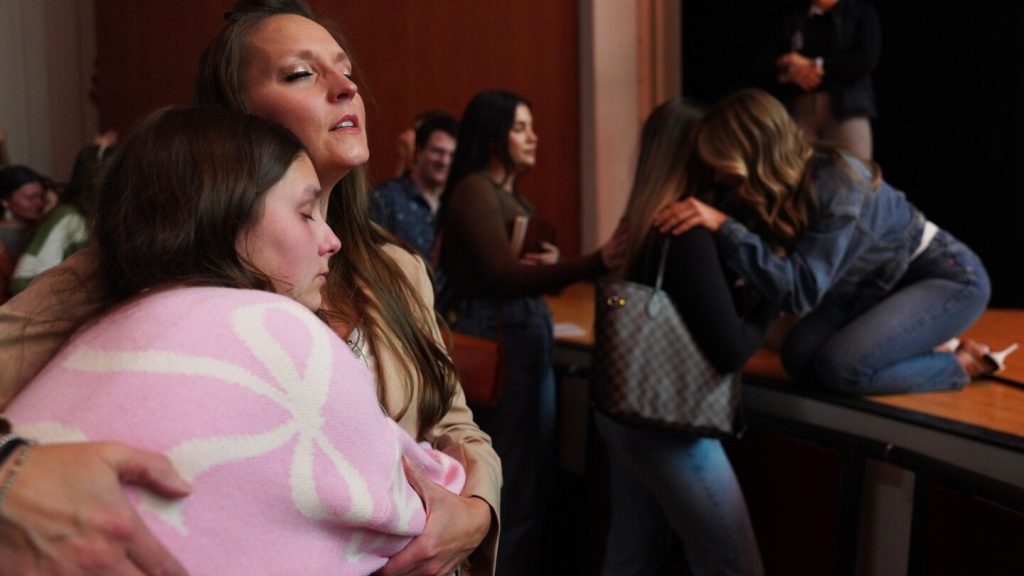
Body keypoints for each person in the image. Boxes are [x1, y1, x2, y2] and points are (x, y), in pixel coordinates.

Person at [0, 1, 500, 574]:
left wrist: (476, 512)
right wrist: (13, 474)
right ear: (235, 119)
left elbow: (454, 425)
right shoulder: (141, 261)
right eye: (302, 73)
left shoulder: (397, 268)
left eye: (346, 70)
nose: (346, 88)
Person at [654, 88, 996, 396]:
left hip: (943, 276)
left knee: (841, 369)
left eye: (723, 166)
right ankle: (904, 340)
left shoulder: (838, 183)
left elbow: (800, 293)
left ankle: (957, 364)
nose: (717, 177)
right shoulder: (766, 188)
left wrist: (724, 227)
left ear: (755, 156)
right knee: (799, 357)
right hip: (866, 288)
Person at [440, 89, 623, 574]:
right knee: (515, 476)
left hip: (525, 333)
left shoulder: (510, 194)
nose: (533, 137)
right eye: (520, 128)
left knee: (534, 474)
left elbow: (524, 273)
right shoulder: (474, 189)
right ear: (495, 137)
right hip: (501, 336)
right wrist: (594, 262)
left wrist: (556, 265)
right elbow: (503, 276)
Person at [595, 98, 772, 576]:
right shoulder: (685, 233)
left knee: (632, 556)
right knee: (734, 566)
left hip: (623, 413)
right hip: (671, 424)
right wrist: (771, 298)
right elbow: (730, 350)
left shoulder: (640, 223)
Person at [761, 0, 880, 159]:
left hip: (846, 109)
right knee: (797, 168)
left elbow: (866, 60)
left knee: (852, 169)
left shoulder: (860, 12)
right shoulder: (792, 17)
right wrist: (791, 71)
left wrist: (817, 65)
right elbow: (766, 65)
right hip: (799, 111)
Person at [371, 112, 458, 259]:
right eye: (437, 151)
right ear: (418, 151)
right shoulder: (385, 198)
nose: (444, 161)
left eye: (452, 155)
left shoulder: (456, 202)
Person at [0, 166, 48, 299]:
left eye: (42, 196)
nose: (39, 203)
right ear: (5, 201)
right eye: (31, 197)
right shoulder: (3, 237)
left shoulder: (45, 227)